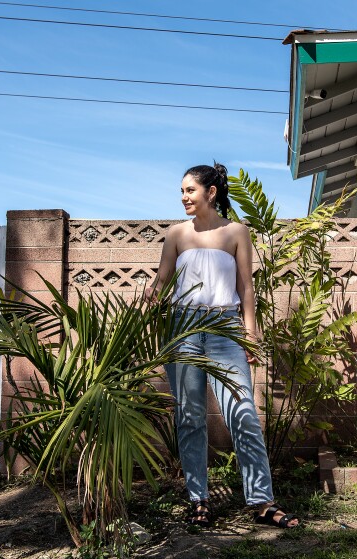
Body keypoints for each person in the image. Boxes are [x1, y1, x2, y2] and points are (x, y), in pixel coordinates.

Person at [144, 162, 298, 529]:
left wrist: (251, 331)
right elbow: (162, 281)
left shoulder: (236, 232)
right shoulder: (176, 234)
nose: (184, 197)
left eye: (190, 191)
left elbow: (247, 286)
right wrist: (143, 304)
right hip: (182, 327)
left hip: (225, 327)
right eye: (181, 191)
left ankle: (261, 501)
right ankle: (198, 499)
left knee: (242, 413)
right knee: (190, 418)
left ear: (210, 193)